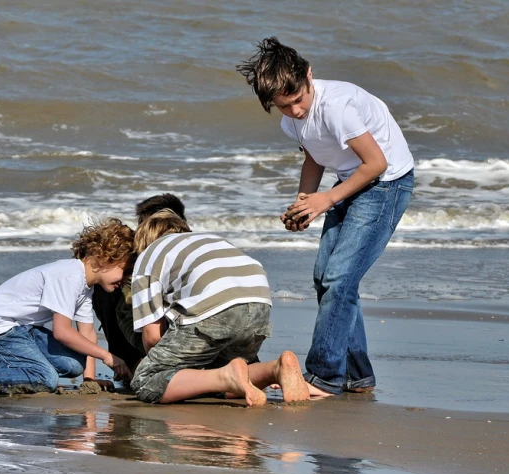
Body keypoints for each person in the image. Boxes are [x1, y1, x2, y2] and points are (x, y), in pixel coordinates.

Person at [237, 37, 415, 396]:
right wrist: (304, 202)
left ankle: (323, 377)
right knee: (326, 278)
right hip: (349, 180)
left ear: (309, 75)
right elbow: (314, 156)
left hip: (386, 184)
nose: (296, 112)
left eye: (299, 100)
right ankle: (357, 375)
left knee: (339, 278)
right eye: (284, 107)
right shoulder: (292, 122)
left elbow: (377, 164)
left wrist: (326, 200)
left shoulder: (336, 106)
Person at [128, 209, 310, 406]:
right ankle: (275, 369)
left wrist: (162, 365)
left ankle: (226, 376)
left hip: (214, 306)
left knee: (146, 380)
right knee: (228, 372)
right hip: (259, 300)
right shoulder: (209, 240)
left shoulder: (148, 256)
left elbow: (152, 336)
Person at [0, 218, 136, 395]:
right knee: (47, 379)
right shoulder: (68, 276)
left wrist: (90, 380)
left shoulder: (86, 286)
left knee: (74, 365)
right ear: (104, 257)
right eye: (125, 271)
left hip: (24, 329)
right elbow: (62, 332)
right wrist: (107, 356)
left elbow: (87, 333)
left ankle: (24, 371)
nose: (126, 278)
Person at [91, 193, 187, 379]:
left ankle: (133, 364)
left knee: (108, 288)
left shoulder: (147, 256)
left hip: (166, 339)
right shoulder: (200, 248)